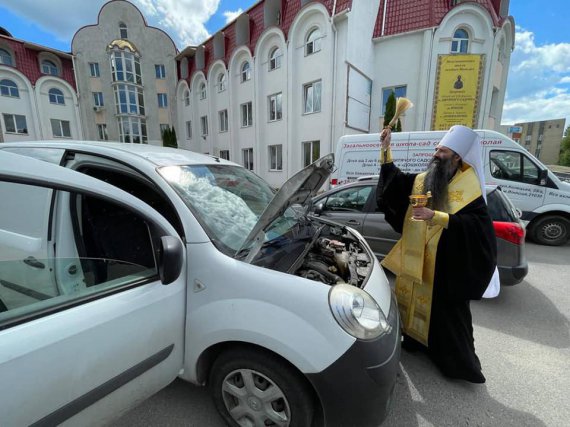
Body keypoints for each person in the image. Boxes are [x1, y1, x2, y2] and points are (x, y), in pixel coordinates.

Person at [376, 124, 497, 383]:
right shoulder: (425, 179)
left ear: (457, 157)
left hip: (447, 266)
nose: (435, 153)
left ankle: (456, 366)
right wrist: (386, 150)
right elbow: (397, 183)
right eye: (437, 148)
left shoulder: (470, 186)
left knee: (447, 317)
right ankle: (417, 344)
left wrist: (436, 216)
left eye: (442, 150)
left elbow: (477, 228)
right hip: (418, 258)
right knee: (411, 304)